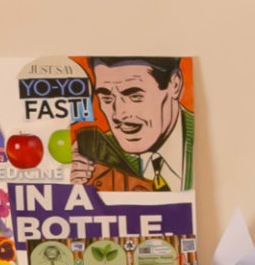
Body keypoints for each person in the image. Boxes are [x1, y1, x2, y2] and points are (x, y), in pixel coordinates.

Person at [75, 56, 194, 193]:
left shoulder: (204, 141)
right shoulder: (96, 152)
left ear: (175, 84)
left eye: (135, 96)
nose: (118, 115)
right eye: (107, 98)